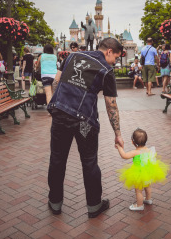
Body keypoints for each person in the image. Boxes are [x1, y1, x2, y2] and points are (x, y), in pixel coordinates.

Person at [47, 38, 124, 217]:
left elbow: (56, 82)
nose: (115, 62)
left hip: (60, 114)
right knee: (89, 162)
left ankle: (55, 202)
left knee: (57, 159)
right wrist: (118, 133)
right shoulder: (106, 70)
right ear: (109, 51)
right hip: (84, 122)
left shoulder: (72, 57)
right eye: (116, 58)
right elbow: (111, 104)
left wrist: (55, 106)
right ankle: (94, 205)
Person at [116, 128, 169, 211]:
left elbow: (124, 155)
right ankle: (148, 199)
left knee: (138, 190)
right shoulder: (149, 150)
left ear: (132, 142)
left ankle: (139, 205)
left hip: (139, 174)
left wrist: (119, 147)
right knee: (147, 186)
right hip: (149, 172)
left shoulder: (135, 152)